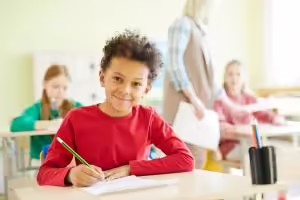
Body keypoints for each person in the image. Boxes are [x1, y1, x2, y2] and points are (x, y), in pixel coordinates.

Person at [37, 30, 195, 187]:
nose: (125, 90)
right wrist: (70, 175)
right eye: (118, 79)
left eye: (136, 84)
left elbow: (186, 159)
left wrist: (131, 169)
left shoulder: (149, 118)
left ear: (146, 89)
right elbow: (45, 173)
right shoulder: (76, 119)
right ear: (102, 77)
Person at [163, 0, 246, 170]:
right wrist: (194, 98)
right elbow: (174, 64)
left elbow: (212, 81)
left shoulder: (201, 32)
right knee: (183, 164)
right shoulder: (182, 25)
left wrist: (233, 107)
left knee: (196, 163)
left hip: (198, 115)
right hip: (183, 113)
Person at [213, 60, 285, 160]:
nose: (234, 78)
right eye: (230, 74)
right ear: (225, 77)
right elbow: (220, 125)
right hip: (232, 146)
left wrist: (275, 118)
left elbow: (262, 113)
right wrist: (237, 130)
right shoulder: (220, 101)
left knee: (277, 154)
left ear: (243, 79)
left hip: (253, 142)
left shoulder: (249, 98)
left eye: (238, 74)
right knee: (260, 156)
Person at [10, 65, 82, 165]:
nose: (60, 91)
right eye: (55, 86)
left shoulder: (76, 107)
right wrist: (48, 124)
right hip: (40, 164)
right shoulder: (37, 108)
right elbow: (16, 125)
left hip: (70, 163)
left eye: (65, 88)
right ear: (45, 84)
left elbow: (94, 119)